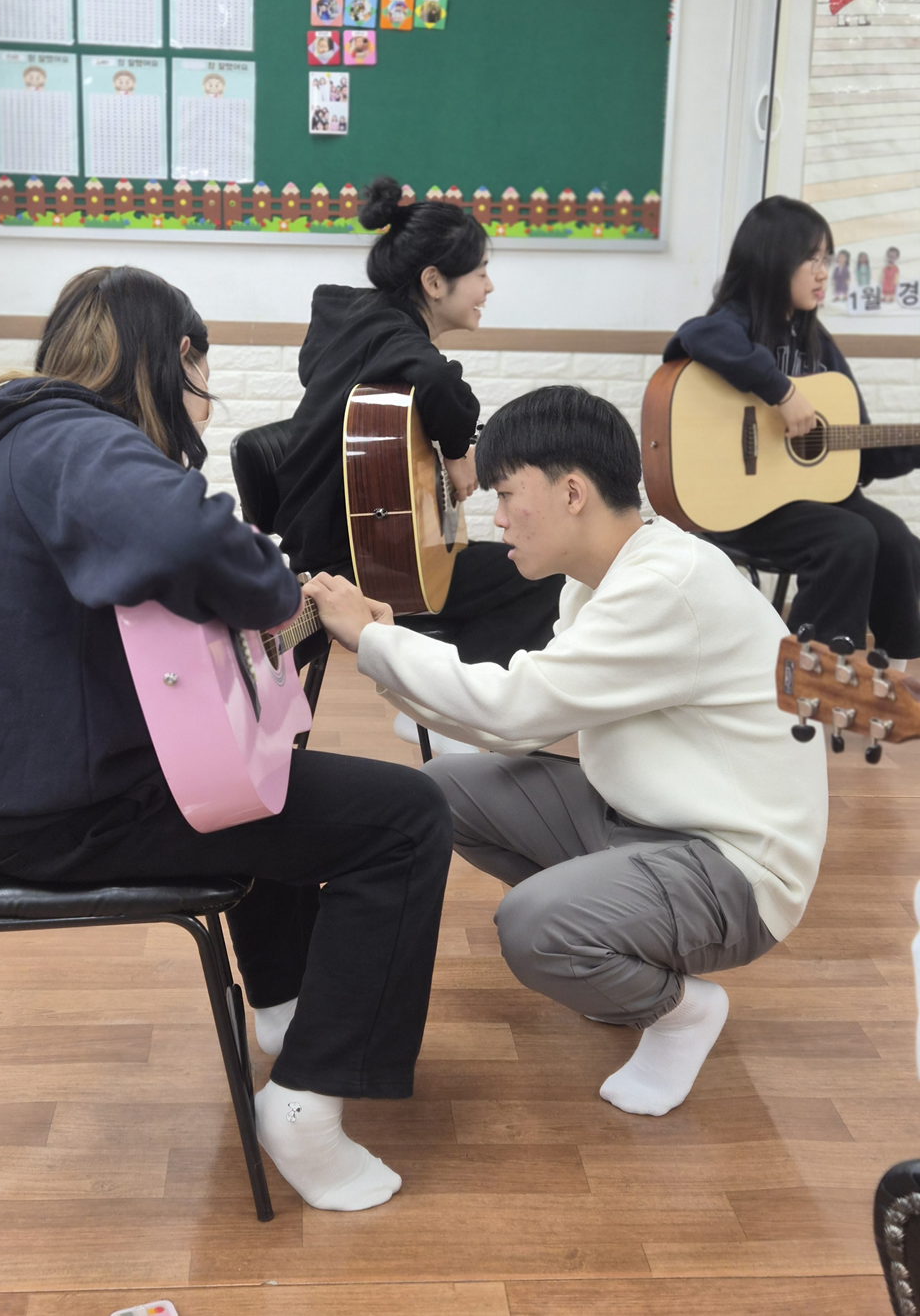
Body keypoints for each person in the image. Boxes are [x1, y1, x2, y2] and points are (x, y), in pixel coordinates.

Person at [0, 266, 454, 1212]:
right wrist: (284, 592)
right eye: (202, 377)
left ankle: (286, 1009)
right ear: (175, 360)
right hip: (72, 816)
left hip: (1, 796)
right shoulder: (75, 439)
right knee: (408, 817)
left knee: (267, 770)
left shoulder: (0, 441)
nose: (204, 399)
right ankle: (306, 1104)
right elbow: (188, 537)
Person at [303, 385, 829, 1118]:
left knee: (532, 925)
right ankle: (610, 951)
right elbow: (526, 713)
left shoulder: (666, 586)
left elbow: (514, 711)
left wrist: (374, 641)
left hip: (735, 868)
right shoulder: (603, 580)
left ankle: (680, 1010)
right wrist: (387, 648)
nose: (496, 517)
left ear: (572, 492)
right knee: (438, 793)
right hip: (645, 821)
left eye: (506, 494)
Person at [274, 174, 564, 749]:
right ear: (434, 281)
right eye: (480, 272)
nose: (488, 286)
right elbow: (436, 379)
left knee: (513, 567)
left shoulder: (359, 325)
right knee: (546, 577)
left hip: (349, 543)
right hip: (362, 563)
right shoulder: (397, 339)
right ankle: (452, 706)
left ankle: (441, 696)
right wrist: (457, 454)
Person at [664, 196, 920, 666]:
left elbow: (861, 448)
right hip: (744, 501)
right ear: (773, 258)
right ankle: (807, 671)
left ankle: (897, 670)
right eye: (811, 259)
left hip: (810, 497)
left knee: (897, 541)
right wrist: (781, 392)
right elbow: (697, 335)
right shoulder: (736, 323)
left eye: (827, 259)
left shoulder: (820, 346)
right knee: (849, 538)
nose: (824, 273)